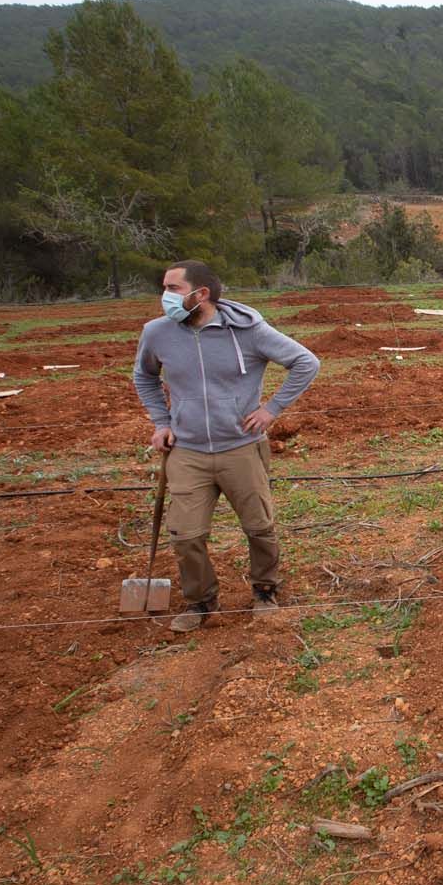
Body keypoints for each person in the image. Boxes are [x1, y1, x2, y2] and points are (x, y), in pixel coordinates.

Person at [132, 261, 320, 632]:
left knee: (259, 527)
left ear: (199, 294)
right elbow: (145, 376)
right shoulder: (157, 333)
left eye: (172, 288)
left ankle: (265, 590)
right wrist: (161, 422)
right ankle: (200, 600)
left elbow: (305, 362)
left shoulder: (249, 331)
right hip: (187, 450)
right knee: (185, 534)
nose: (164, 296)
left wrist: (271, 410)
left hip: (241, 447)